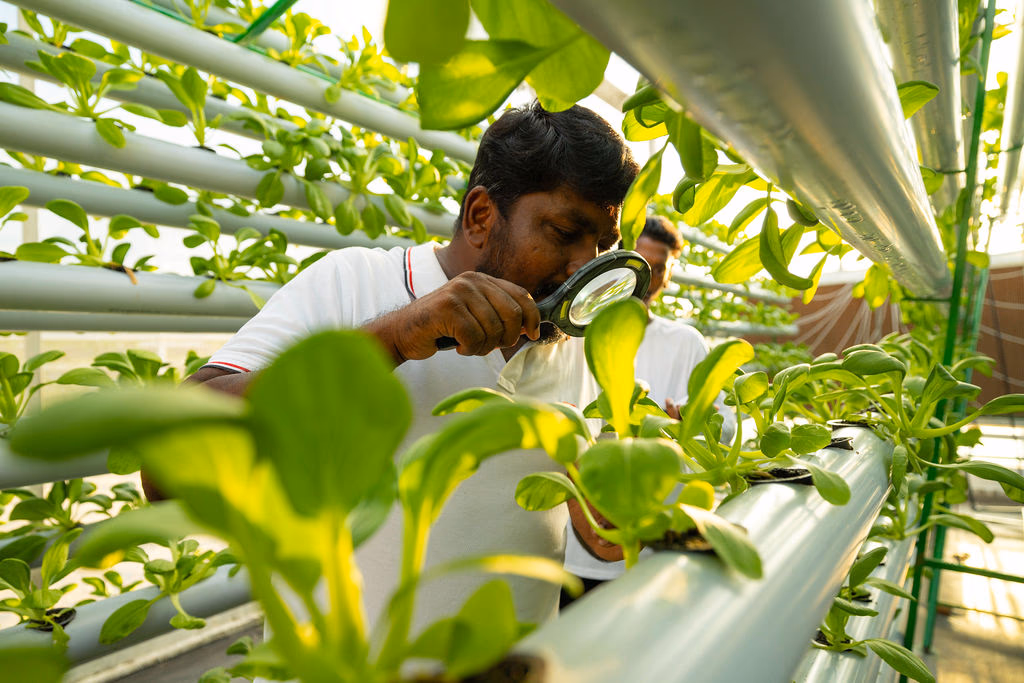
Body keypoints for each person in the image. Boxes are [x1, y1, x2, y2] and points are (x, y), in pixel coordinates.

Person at [183, 101, 639, 631]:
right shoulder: (355, 283)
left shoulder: (583, 345)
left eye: (604, 246)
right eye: (564, 233)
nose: (584, 268)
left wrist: (615, 513)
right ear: (480, 216)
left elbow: (597, 537)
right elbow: (172, 456)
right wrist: (396, 336)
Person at [561, 214, 736, 602]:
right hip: (578, 542)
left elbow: (724, 426)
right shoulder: (574, 334)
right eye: (639, 262)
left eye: (658, 269)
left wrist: (696, 420)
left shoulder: (685, 342)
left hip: (656, 543)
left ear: (668, 275)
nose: (648, 277)